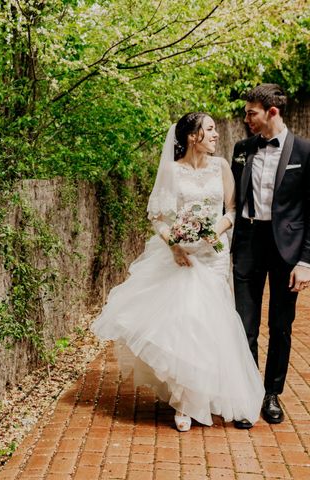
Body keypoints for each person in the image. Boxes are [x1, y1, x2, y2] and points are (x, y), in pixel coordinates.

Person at [91, 112, 264, 432]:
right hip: (182, 258)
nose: (215, 134)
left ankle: (204, 394)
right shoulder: (172, 171)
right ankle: (186, 402)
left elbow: (231, 209)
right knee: (187, 325)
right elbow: (157, 215)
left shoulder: (222, 166)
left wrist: (216, 230)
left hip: (213, 257)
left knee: (210, 326)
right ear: (192, 136)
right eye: (209, 129)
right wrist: (175, 245)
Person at [231, 84, 310, 429]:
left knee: (280, 327)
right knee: (244, 325)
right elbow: (228, 202)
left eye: (252, 113)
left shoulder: (305, 152)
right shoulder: (242, 149)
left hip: (286, 250)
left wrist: (306, 262)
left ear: (272, 112)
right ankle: (246, 395)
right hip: (248, 243)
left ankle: (271, 395)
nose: (246, 119)